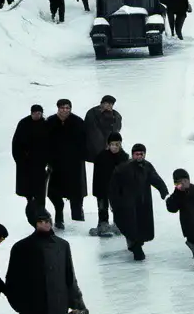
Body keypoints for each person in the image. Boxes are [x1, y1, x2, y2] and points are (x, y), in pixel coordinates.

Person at [108, 142, 169, 261]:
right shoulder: (123, 168)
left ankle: (137, 245)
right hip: (126, 204)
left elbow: (156, 180)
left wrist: (165, 193)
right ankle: (135, 248)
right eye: (137, 154)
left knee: (140, 227)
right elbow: (113, 187)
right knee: (130, 227)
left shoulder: (147, 167)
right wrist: (114, 203)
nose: (139, 156)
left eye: (141, 154)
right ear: (132, 155)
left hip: (142, 203)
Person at [46, 99, 87, 228]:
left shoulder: (78, 121)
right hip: (55, 162)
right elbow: (44, 141)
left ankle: (77, 216)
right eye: (62, 108)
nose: (65, 110)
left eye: (67, 108)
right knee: (54, 191)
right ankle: (59, 217)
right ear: (58, 108)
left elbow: (84, 141)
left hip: (73, 162)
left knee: (76, 190)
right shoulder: (50, 122)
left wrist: (80, 155)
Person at [12, 104, 50, 224]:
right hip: (25, 163)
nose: (37, 115)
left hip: (40, 163)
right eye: (35, 113)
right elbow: (16, 143)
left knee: (40, 188)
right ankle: (31, 206)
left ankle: (41, 209)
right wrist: (20, 159)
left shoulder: (45, 124)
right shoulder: (23, 123)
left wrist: (47, 160)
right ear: (31, 113)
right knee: (28, 188)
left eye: (39, 113)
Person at [91, 132, 125, 235]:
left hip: (117, 189)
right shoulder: (101, 157)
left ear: (120, 144)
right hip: (103, 188)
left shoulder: (124, 157)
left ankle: (118, 225)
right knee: (102, 208)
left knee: (118, 208)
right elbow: (96, 175)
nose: (114, 147)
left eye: (117, 144)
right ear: (108, 145)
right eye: (112, 144)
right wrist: (96, 191)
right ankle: (103, 225)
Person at [84, 94, 122, 159]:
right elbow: (92, 131)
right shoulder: (92, 113)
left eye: (111, 104)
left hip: (109, 146)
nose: (109, 105)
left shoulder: (116, 115)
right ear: (102, 103)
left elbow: (116, 130)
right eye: (107, 103)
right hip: (94, 146)